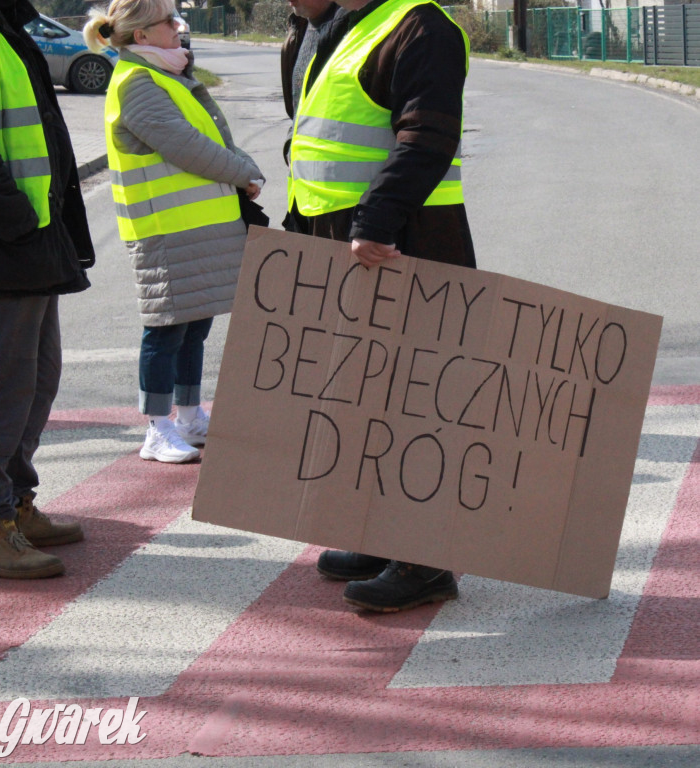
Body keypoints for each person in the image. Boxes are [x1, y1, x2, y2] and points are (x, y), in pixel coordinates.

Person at [286, 0, 476, 612]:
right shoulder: (344, 28)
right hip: (349, 242)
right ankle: (378, 535)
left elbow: (428, 135)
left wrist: (379, 217)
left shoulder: (420, 26)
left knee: (411, 402)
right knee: (363, 398)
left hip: (400, 244)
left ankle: (423, 562)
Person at [83, 0, 264, 464]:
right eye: (168, 21)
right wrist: (243, 171)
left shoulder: (162, 75)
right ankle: (157, 429)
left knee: (193, 324)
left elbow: (209, 134)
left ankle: (188, 416)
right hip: (165, 229)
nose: (177, 26)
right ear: (141, 36)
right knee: (165, 329)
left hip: (193, 227)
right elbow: (189, 148)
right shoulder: (138, 82)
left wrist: (242, 167)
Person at [0, 0, 95, 578]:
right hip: (4, 248)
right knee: (3, 386)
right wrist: (19, 224)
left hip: (28, 245)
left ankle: (14, 503)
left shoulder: (6, 26)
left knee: (37, 378)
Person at [281, 0, 339, 164]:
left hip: (339, 177)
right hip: (306, 175)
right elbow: (299, 106)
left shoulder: (353, 29)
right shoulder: (300, 25)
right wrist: (291, 145)